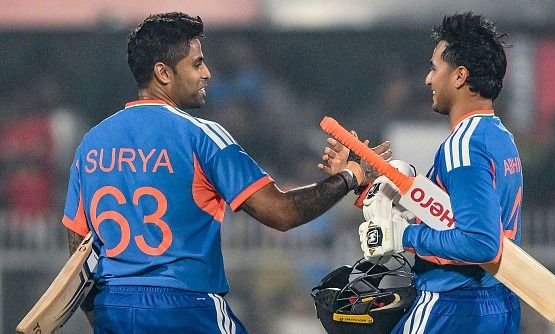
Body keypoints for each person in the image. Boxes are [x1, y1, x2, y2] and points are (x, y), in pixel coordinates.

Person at [61, 12, 390, 334]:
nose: (207, 73)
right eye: (197, 63)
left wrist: (98, 312)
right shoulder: (201, 136)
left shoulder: (92, 143)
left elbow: (78, 246)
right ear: (163, 73)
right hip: (186, 306)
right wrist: (350, 176)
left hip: (114, 307)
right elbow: (281, 213)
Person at [322, 12, 522, 333]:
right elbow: (443, 216)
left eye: (434, 68)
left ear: (459, 76)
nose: (428, 79)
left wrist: (402, 237)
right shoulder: (499, 137)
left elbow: (481, 243)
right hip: (499, 302)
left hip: (451, 302)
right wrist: (365, 189)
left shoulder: (462, 147)